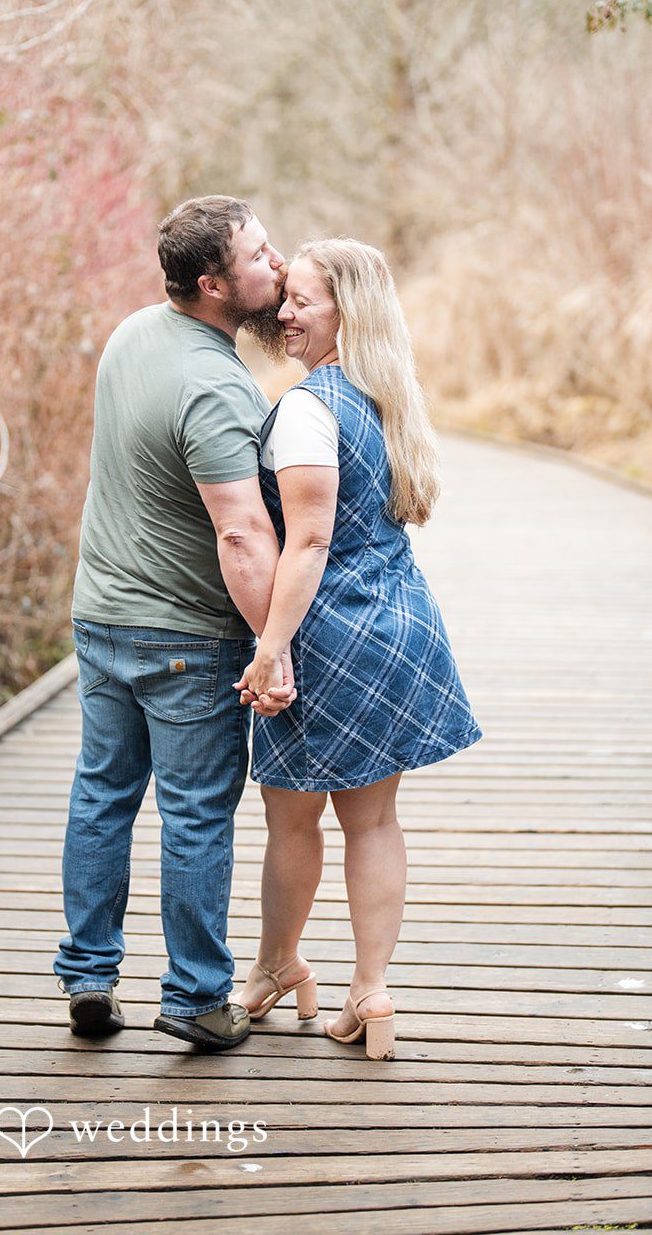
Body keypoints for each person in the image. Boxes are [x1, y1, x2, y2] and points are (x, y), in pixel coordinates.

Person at [231, 237, 484, 1059]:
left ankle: (274, 965)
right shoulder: (386, 398)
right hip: (402, 624)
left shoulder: (308, 408)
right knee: (373, 823)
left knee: (292, 817)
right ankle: (369, 990)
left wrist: (271, 649)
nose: (283, 312)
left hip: (331, 634)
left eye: (301, 299)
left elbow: (305, 545)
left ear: (346, 310)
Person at [53, 195, 294, 1053]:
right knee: (194, 812)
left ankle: (88, 974)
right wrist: (274, 647)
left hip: (100, 618)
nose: (279, 265)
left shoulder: (130, 334)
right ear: (213, 284)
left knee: (103, 792)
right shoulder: (215, 384)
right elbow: (240, 533)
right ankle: (195, 996)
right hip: (186, 637)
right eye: (261, 257)